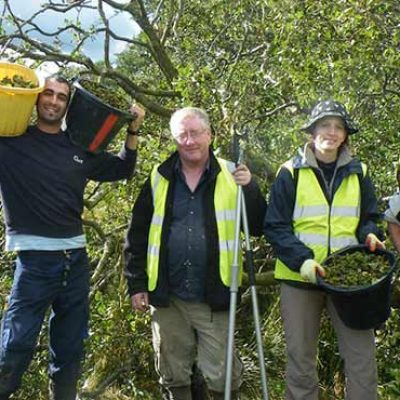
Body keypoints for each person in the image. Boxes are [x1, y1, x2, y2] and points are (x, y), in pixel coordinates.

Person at [0, 74, 145, 400]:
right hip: (35, 263)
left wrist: (133, 130)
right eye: (48, 94)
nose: (53, 101)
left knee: (70, 346)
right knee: (16, 343)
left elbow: (122, 168)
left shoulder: (79, 147)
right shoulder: (10, 142)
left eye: (61, 97)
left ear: (69, 105)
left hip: (76, 261)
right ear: (36, 99)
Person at [124, 107, 267, 400]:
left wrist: (250, 188)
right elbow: (137, 233)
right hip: (167, 295)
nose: (189, 141)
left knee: (222, 375)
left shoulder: (232, 174)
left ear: (210, 135)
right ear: (174, 139)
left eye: (196, 133)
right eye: (182, 135)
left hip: (216, 293)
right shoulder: (159, 177)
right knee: (173, 372)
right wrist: (136, 283)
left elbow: (257, 227)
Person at [264, 100, 385, 400]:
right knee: (301, 359)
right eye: (325, 125)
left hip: (348, 282)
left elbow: (370, 217)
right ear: (312, 131)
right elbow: (275, 226)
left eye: (338, 127)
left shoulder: (360, 171)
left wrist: (371, 236)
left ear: (345, 136)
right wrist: (303, 261)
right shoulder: (289, 172)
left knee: (361, 357)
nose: (331, 132)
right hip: (299, 278)